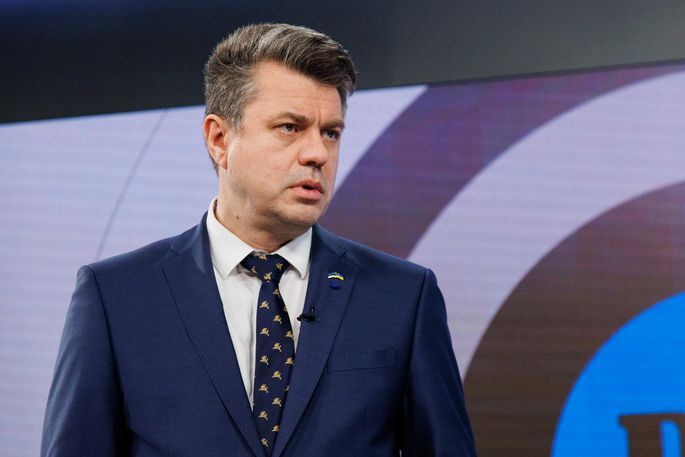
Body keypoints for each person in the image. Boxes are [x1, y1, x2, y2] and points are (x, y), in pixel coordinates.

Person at [41, 23, 477, 457]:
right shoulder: (116, 296)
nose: (317, 154)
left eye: (331, 132)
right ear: (219, 139)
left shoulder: (403, 297)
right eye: (290, 127)